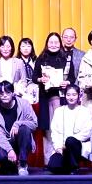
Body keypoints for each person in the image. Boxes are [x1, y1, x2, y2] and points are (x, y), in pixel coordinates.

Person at [33, 32, 77, 163]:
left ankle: (63, 157)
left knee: (61, 126)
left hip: (61, 97)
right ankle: (48, 160)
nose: (53, 45)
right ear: (47, 44)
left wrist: (67, 82)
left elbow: (72, 77)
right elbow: (34, 77)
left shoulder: (66, 59)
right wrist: (40, 79)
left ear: (60, 43)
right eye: (51, 42)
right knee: (48, 127)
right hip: (45, 97)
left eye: (56, 42)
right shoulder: (41, 58)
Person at [0, 80, 38, 175]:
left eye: (7, 92)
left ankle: (22, 163)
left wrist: (18, 123)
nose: (4, 95)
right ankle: (9, 164)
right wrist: (9, 150)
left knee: (24, 128)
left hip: (21, 140)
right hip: (5, 141)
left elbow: (34, 124)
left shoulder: (24, 104)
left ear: (12, 93)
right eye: (1, 93)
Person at [46, 84, 92, 175]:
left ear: (79, 96)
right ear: (65, 95)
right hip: (61, 148)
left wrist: (67, 144)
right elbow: (55, 132)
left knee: (70, 140)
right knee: (52, 165)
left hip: (77, 146)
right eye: (68, 95)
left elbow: (86, 132)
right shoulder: (59, 111)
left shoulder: (85, 111)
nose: (71, 97)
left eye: (74, 95)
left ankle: (74, 165)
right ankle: (69, 166)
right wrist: (58, 147)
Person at [17, 37, 39, 102]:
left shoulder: (36, 61)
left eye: (28, 46)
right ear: (19, 48)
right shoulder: (16, 61)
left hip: (34, 87)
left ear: (32, 48)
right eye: (23, 46)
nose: (26, 49)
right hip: (21, 88)